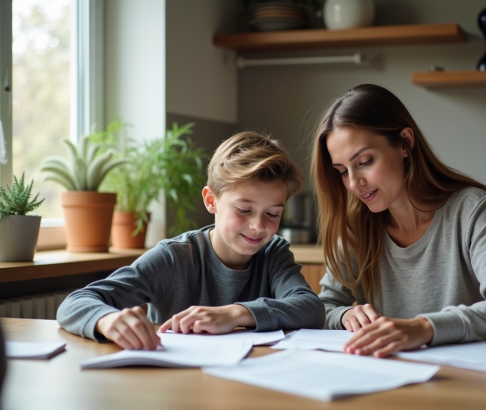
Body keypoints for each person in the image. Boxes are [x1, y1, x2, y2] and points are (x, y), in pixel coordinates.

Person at [311, 84, 486, 358]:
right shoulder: (357, 227)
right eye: (342, 171)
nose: (354, 183)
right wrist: (346, 314)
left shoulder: (470, 209)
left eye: (365, 161)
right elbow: (322, 308)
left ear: (405, 143)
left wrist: (424, 327)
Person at [58, 131, 325, 350]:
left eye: (272, 213)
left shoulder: (273, 253)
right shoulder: (174, 258)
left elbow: (311, 308)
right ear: (211, 200)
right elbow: (76, 302)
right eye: (244, 210)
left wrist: (234, 313)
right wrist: (106, 319)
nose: (258, 226)